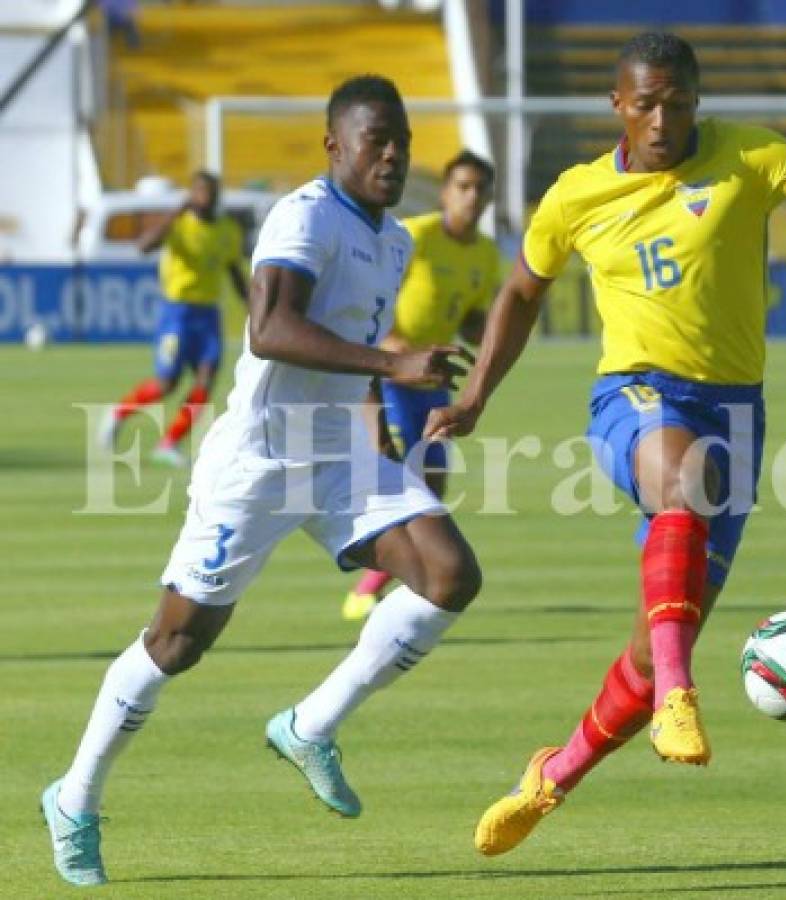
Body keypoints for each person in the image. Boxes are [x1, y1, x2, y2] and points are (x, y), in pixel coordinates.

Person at [425, 31, 786, 856]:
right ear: (618, 104)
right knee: (686, 484)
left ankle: (550, 778)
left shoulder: (748, 157)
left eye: (677, 102)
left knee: (654, 648)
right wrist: (474, 397)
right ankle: (683, 697)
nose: (662, 119)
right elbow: (520, 290)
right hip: (635, 395)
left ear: (697, 101)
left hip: (737, 417)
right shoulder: (576, 195)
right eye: (645, 103)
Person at [42, 74, 481, 886]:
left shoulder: (395, 240)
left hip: (340, 452)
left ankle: (310, 725)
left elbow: (356, 338)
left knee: (450, 574)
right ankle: (75, 798)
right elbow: (272, 328)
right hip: (260, 459)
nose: (392, 155)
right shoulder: (306, 214)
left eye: (403, 142)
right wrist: (392, 362)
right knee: (177, 643)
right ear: (334, 145)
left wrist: (381, 404)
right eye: (375, 139)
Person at [343, 149, 499, 621]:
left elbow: (470, 318)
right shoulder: (416, 237)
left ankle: (379, 583)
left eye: (480, 189)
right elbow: (374, 303)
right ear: (447, 191)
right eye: (463, 187)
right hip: (392, 373)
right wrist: (396, 355)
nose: (471, 198)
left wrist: (492, 329)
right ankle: (372, 582)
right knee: (400, 479)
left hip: (434, 379)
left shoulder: (485, 254)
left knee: (431, 486)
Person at [99, 170, 247, 467]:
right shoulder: (178, 225)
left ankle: (169, 443)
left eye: (210, 192)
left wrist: (254, 307)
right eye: (200, 192)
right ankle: (118, 413)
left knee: (206, 382)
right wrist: (176, 213)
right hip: (177, 314)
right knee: (167, 384)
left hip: (208, 315)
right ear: (191, 195)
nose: (205, 198)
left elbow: (234, 273)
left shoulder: (228, 229)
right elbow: (144, 247)